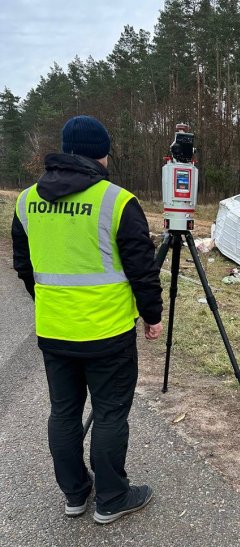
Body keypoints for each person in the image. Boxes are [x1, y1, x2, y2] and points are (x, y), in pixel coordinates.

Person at [11, 115, 163, 524]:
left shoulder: (26, 201)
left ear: (63, 151)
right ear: (102, 153)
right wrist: (152, 315)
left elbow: (23, 266)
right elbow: (142, 269)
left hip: (54, 329)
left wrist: (48, 302)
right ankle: (112, 498)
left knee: (63, 412)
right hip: (107, 331)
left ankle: (75, 495)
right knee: (110, 414)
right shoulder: (116, 201)